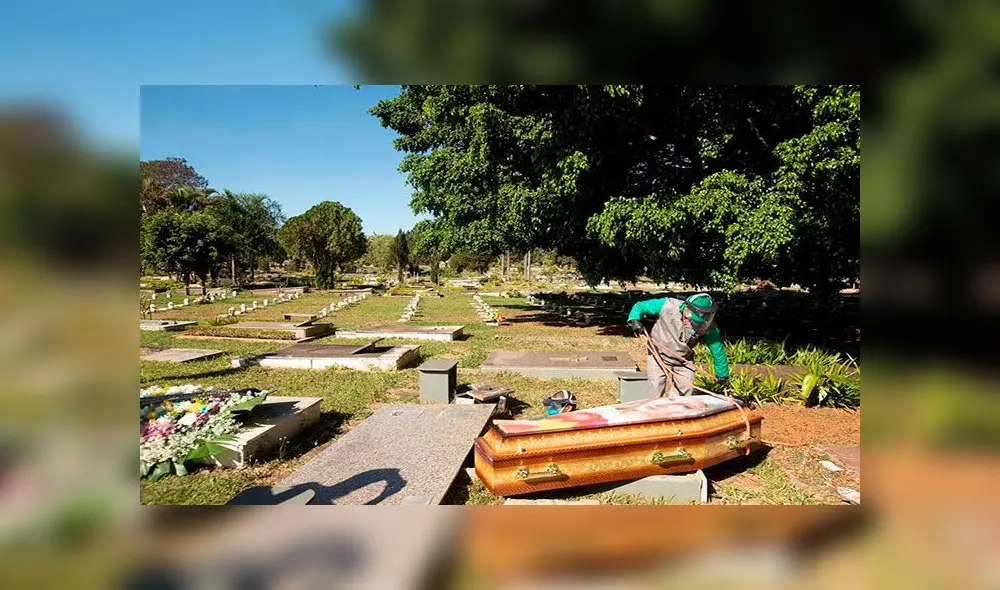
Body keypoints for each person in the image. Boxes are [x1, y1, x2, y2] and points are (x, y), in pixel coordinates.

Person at [627, 293, 730, 397]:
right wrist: (634, 319)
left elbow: (717, 349)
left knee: (686, 392)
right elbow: (640, 306)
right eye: (691, 321)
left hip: (684, 360)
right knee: (656, 389)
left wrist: (723, 374)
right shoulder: (667, 305)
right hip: (658, 354)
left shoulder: (709, 327)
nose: (693, 326)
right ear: (686, 311)